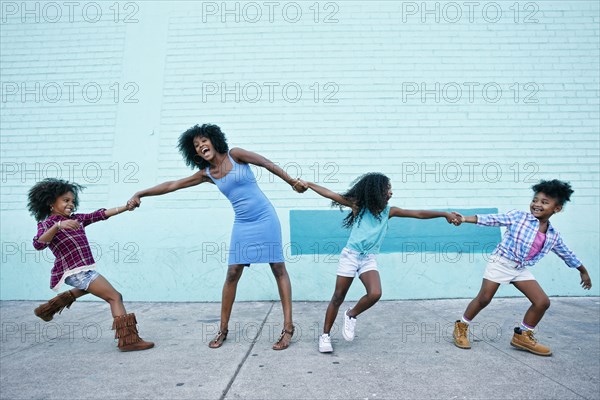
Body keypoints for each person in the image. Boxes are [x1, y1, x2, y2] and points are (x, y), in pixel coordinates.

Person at [128, 123, 307, 350]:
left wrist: (291, 181)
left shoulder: (236, 155)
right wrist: (140, 193)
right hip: (242, 223)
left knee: (278, 268)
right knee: (232, 273)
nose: (201, 145)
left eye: (204, 140)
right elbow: (173, 185)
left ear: (214, 140)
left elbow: (265, 163)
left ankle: (288, 328)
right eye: (196, 145)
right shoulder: (208, 175)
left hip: (265, 218)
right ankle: (223, 329)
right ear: (195, 153)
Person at [305, 173, 461, 353]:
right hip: (351, 256)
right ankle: (325, 336)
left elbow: (417, 214)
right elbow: (330, 194)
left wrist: (444, 214)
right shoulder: (358, 206)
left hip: (368, 258)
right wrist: (309, 184)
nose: (391, 193)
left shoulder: (389, 212)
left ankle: (351, 314)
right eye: (388, 189)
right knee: (338, 296)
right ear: (376, 192)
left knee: (375, 293)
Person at [453, 179, 592, 356]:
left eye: (544, 202)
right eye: (535, 200)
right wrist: (464, 219)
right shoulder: (519, 217)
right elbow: (493, 219)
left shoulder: (553, 235)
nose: (537, 204)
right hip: (501, 262)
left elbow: (566, 253)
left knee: (542, 302)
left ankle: (523, 336)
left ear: (556, 209)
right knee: (484, 299)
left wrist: (583, 270)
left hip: (519, 268)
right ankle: (461, 326)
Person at [28, 178, 154, 352]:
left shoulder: (77, 219)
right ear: (50, 202)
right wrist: (58, 226)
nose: (70, 204)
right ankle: (128, 340)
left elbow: (99, 215)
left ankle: (47, 310)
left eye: (72, 201)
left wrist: (126, 207)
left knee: (89, 289)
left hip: (83, 270)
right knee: (115, 297)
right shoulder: (47, 224)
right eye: (65, 200)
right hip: (76, 272)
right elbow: (38, 244)